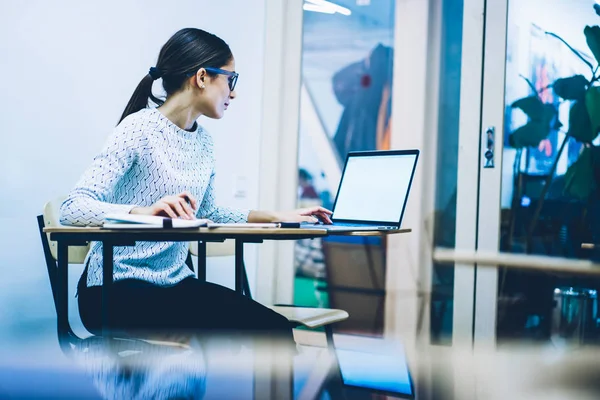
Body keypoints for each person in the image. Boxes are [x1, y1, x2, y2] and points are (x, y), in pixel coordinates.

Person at [59, 28, 332, 346]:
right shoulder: (138, 128)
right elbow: (73, 208)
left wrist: (280, 214)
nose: (233, 93)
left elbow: (209, 213)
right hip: (114, 288)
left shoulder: (203, 141)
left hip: (174, 283)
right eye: (231, 79)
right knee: (195, 337)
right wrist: (143, 212)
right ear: (202, 77)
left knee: (273, 330)